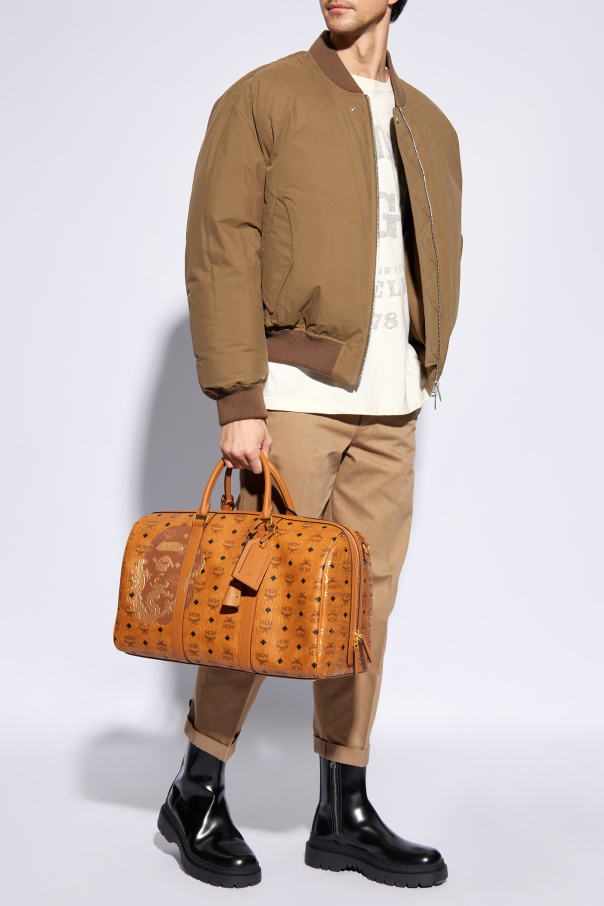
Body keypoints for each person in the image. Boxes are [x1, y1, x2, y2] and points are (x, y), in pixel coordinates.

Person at [157, 0, 463, 889]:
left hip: (394, 402)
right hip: (293, 397)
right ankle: (196, 789)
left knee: (365, 609)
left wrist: (425, 359)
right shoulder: (263, 98)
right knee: (251, 594)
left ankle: (343, 811)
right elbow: (220, 245)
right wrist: (238, 398)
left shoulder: (431, 124)